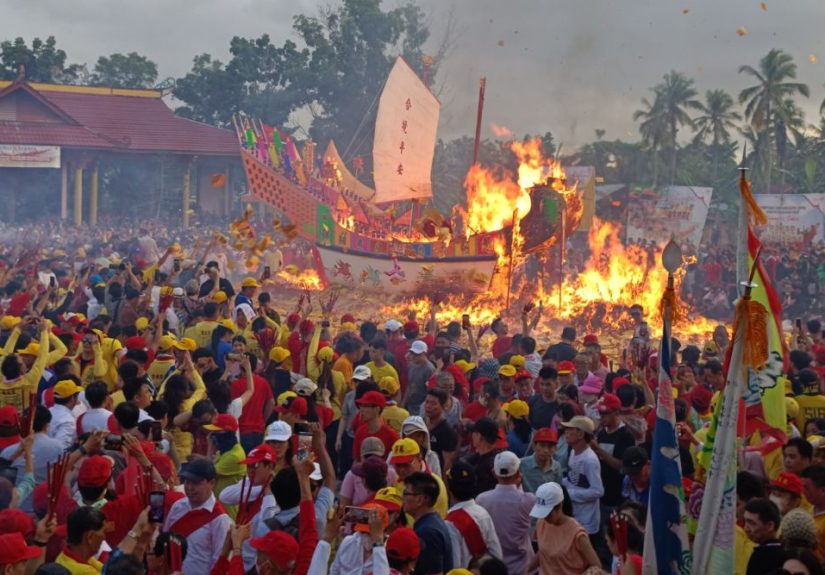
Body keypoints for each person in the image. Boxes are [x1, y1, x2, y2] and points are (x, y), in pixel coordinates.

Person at [163, 459, 232, 574]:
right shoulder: (177, 507)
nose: (189, 488)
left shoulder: (220, 519)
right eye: (187, 482)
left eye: (195, 483)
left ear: (212, 483)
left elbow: (219, 560)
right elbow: (164, 541)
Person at [475, 451, 535, 575]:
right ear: (518, 473)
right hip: (523, 567)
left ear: (494, 473)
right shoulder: (528, 499)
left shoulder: (482, 499)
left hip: (494, 567)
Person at [525, 482, 601, 575]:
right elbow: (543, 553)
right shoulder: (541, 523)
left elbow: (596, 565)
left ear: (559, 506)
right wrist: (528, 569)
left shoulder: (577, 534)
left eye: (548, 513)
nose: (545, 517)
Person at [444, 460, 502, 568]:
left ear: (449, 488)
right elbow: (497, 554)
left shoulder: (449, 523)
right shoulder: (483, 513)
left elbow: (455, 565)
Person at [559, 416, 604, 542]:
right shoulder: (573, 452)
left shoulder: (589, 460)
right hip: (575, 516)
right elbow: (572, 479)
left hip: (587, 521)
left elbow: (598, 491)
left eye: (569, 429)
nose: (566, 432)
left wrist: (569, 494)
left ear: (580, 434)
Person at [403, 471, 453, 575]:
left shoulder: (428, 533)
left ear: (420, 499)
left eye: (406, 493)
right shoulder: (430, 523)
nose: (403, 498)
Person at [56, 507, 107, 574]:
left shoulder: (62, 556)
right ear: (90, 536)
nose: (104, 537)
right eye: (103, 532)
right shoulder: (87, 572)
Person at [353, 391, 399, 462]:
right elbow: (357, 460)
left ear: (377, 409)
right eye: (361, 406)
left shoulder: (392, 436)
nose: (361, 410)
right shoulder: (360, 432)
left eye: (365, 406)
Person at [743, 497, 784, 575]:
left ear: (770, 526)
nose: (746, 528)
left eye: (752, 523)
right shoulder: (783, 549)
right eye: (745, 522)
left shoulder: (761, 556)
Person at [464, 417, 502, 497]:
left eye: (474, 432)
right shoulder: (501, 459)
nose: (472, 435)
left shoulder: (484, 466)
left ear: (480, 437)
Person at [423, 389, 458, 472]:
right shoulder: (422, 425)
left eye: (433, 403)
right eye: (427, 402)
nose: (428, 406)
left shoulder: (446, 431)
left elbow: (447, 463)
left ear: (443, 406)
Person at [519, 427, 563, 493]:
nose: (546, 450)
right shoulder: (521, 464)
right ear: (534, 446)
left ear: (555, 448)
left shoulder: (557, 467)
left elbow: (558, 492)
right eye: (542, 445)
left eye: (550, 446)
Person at [404, 341, 435, 415]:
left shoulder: (429, 369)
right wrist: (403, 403)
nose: (414, 356)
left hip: (421, 408)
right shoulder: (412, 365)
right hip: (410, 405)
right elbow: (409, 385)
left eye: (417, 354)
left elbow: (430, 391)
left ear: (424, 354)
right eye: (412, 354)